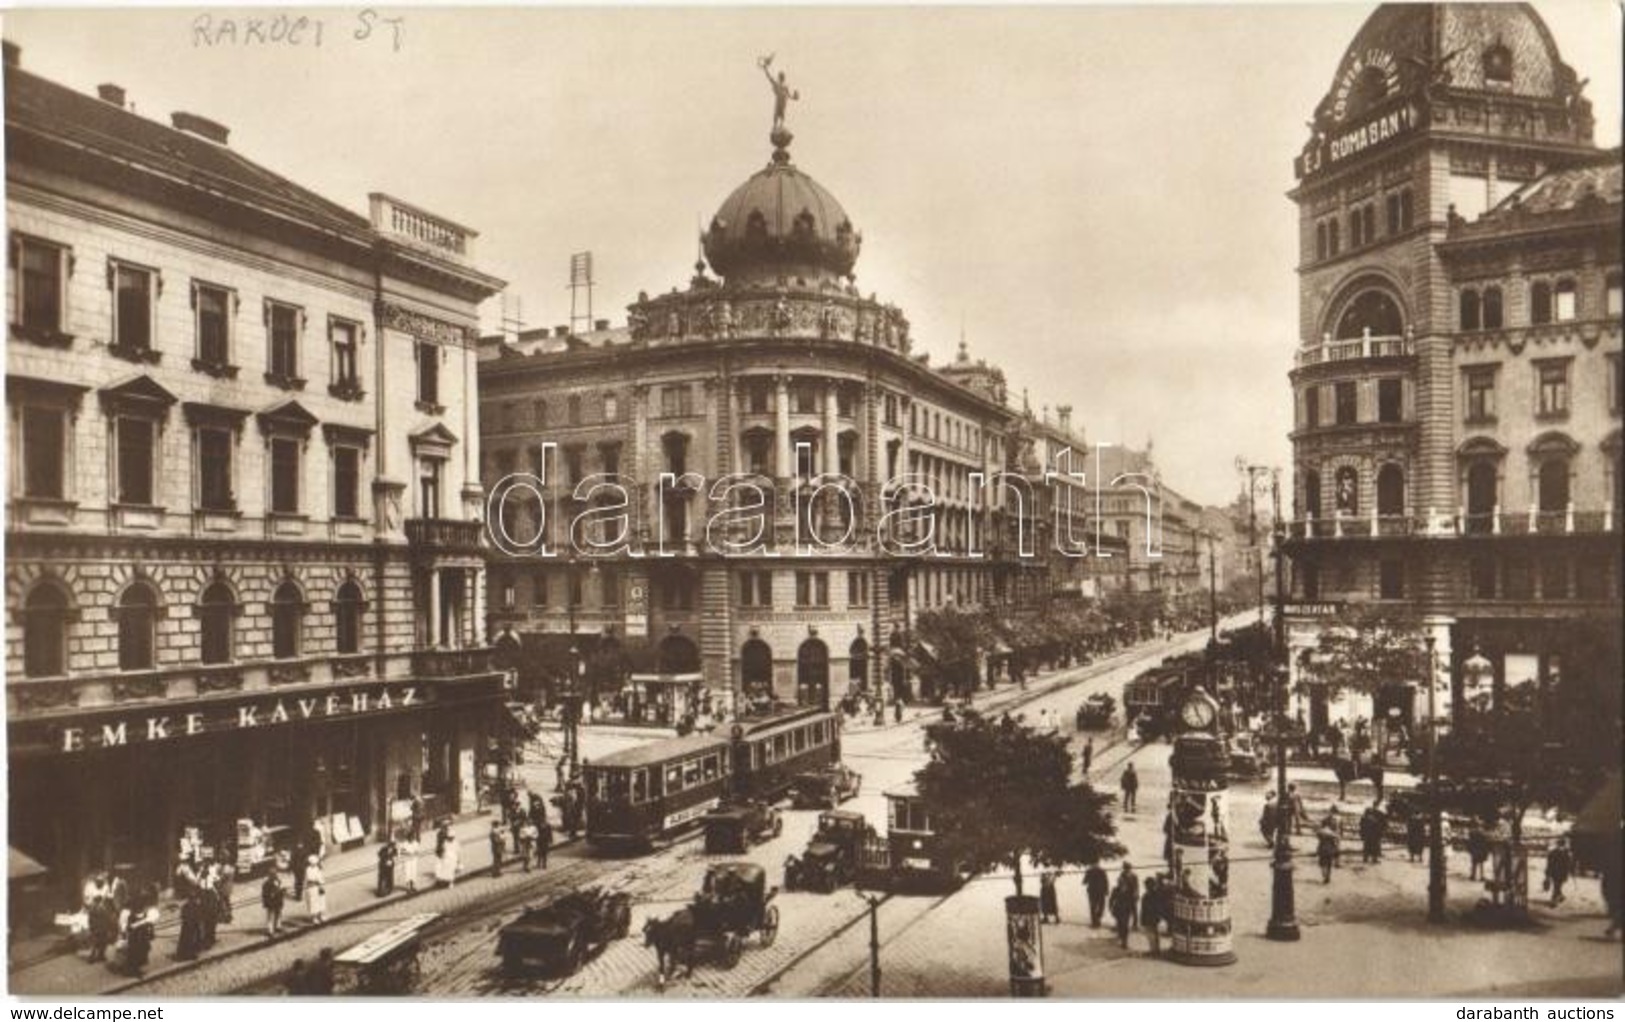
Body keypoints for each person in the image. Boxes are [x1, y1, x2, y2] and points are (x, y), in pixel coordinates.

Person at [1544, 837, 1574, 908]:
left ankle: (1560, 896)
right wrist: (1571, 871)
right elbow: (1569, 865)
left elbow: (1549, 864)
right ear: (1564, 844)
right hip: (1561, 873)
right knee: (1557, 886)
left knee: (1557, 885)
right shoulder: (1567, 853)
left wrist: (1547, 874)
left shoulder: (1552, 852)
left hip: (1554, 872)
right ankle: (1554, 900)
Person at [1108, 876, 1134, 949]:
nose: (1120, 883)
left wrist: (1133, 911)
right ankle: (1121, 937)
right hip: (1118, 910)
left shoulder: (1129, 890)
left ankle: (1124, 941)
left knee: (1125, 925)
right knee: (1120, 924)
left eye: (1121, 882)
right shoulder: (1115, 890)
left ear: (1125, 882)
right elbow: (1111, 899)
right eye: (1119, 882)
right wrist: (1110, 907)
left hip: (1126, 910)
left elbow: (1132, 901)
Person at [1140, 877, 1162, 956]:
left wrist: (1142, 920)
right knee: (1154, 934)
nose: (1145, 887)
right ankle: (1155, 950)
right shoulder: (1155, 894)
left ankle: (1154, 950)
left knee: (1151, 934)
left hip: (1150, 917)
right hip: (1153, 917)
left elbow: (1145, 909)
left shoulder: (1148, 896)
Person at [261, 870, 287, 937]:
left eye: (275, 874)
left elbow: (283, 889)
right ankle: (270, 930)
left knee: (278, 914)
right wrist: (266, 902)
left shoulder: (278, 881)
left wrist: (283, 891)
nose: (274, 876)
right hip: (271, 902)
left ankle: (278, 926)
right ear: (269, 876)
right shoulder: (266, 884)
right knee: (270, 916)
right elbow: (264, 894)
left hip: (278, 901)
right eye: (273, 875)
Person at [1083, 863, 1109, 928]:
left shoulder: (1089, 871)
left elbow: (1084, 882)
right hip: (1100, 891)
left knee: (1093, 907)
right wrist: (1106, 890)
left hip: (1093, 892)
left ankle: (1095, 921)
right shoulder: (1102, 871)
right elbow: (1106, 881)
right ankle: (1096, 920)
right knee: (1100, 907)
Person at [304, 856, 327, 925]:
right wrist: (318, 881)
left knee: (321, 900)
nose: (315, 864)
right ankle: (314, 917)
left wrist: (321, 884)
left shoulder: (318, 868)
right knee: (313, 902)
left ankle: (321, 915)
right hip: (312, 887)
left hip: (319, 887)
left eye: (316, 863)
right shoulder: (308, 869)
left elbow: (321, 877)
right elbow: (310, 878)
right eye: (313, 863)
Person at [1119, 862, 1140, 927]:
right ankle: (1126, 923)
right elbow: (1120, 885)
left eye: (1127, 868)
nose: (1126, 869)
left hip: (1131, 895)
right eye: (1125, 868)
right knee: (1126, 910)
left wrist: (1136, 894)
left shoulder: (1133, 876)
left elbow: (1136, 886)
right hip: (1125, 895)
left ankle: (1135, 924)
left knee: (1134, 910)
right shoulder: (1122, 875)